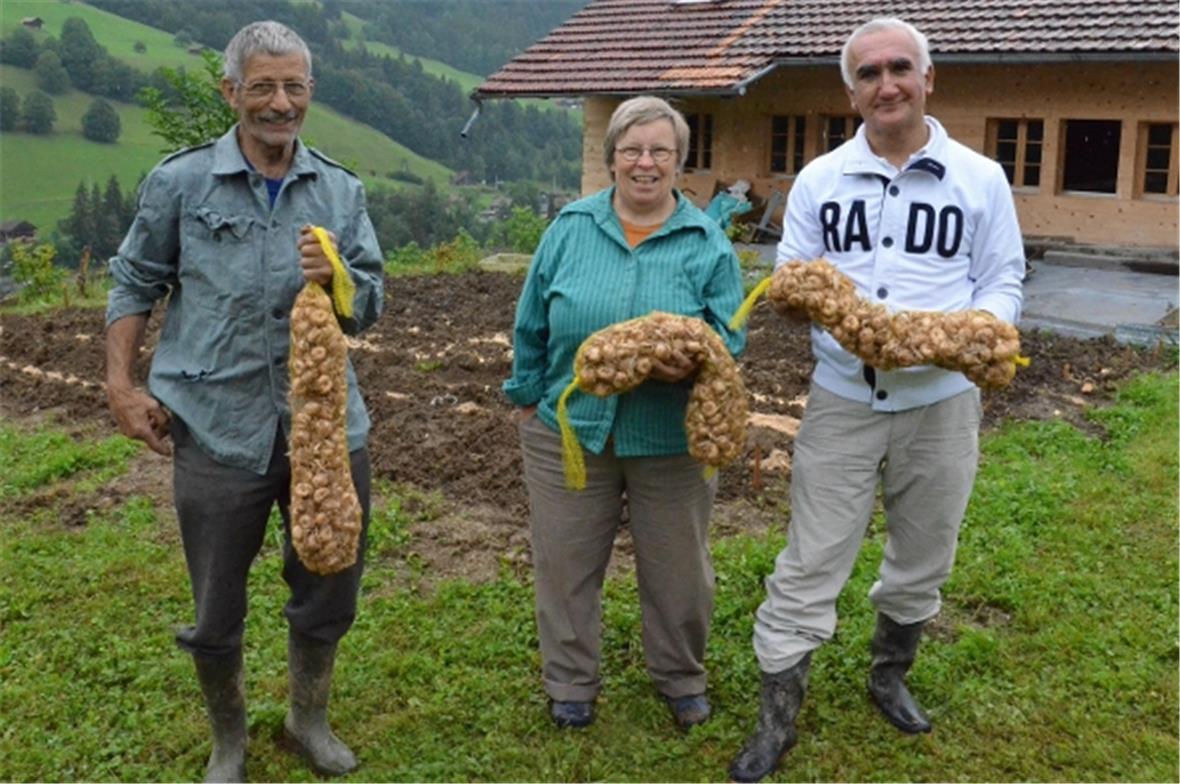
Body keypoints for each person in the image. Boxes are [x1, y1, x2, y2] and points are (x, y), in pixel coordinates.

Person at [729, 17, 1025, 782]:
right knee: (811, 559)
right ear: (851, 91)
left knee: (924, 550)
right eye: (869, 73)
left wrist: (973, 335)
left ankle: (889, 674)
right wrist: (817, 303)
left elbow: (1002, 278)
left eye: (900, 68)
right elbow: (792, 273)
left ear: (930, 79)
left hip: (943, 402)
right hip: (841, 398)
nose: (886, 84)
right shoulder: (821, 180)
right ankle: (775, 722)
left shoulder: (980, 178)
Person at [104, 21, 384, 782]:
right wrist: (122, 385)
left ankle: (307, 717)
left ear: (310, 93)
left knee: (329, 584)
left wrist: (337, 280)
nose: (278, 102)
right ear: (231, 92)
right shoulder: (181, 183)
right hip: (216, 426)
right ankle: (228, 738)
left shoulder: (339, 189)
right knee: (217, 605)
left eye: (293, 86)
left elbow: (374, 301)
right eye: (261, 86)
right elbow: (135, 282)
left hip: (325, 431)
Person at [503, 96, 747, 731]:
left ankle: (680, 675)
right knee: (565, 564)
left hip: (670, 436)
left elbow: (731, 335)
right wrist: (527, 397)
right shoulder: (570, 229)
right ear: (611, 159)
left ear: (678, 162)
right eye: (632, 150)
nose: (645, 163)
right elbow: (530, 319)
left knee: (679, 569)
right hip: (571, 433)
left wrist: (691, 363)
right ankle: (571, 682)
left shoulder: (706, 241)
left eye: (660, 151)